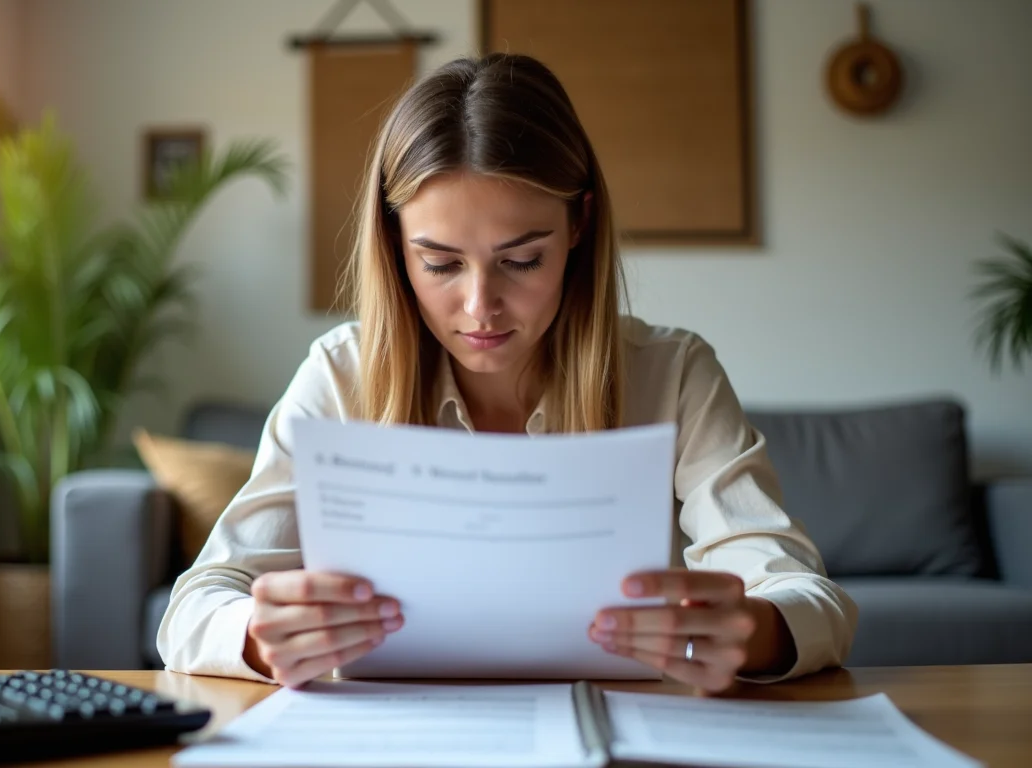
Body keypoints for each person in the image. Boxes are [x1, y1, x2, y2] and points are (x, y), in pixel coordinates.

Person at [156, 53, 857, 692]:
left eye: (522, 260)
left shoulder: (673, 373)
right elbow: (192, 607)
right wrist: (256, 634)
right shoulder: (341, 374)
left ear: (579, 224)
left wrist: (755, 631)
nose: (480, 305)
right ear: (395, 244)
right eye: (439, 263)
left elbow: (806, 595)